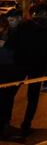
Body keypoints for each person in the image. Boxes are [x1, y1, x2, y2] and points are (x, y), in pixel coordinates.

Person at [4, 4, 47, 137]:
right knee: (33, 97)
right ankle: (26, 124)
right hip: (39, 66)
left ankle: (6, 123)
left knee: (10, 94)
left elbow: (10, 45)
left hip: (20, 65)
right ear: (46, 13)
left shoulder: (23, 25)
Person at [0, 11, 23, 139]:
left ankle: (5, 126)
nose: (10, 23)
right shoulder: (8, 34)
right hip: (6, 72)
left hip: (9, 72)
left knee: (7, 100)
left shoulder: (11, 33)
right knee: (5, 100)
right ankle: (4, 129)